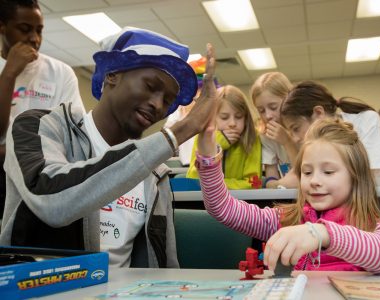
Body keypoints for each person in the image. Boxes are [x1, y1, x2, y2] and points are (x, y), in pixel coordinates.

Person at [0, 27, 218, 268]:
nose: (158, 105)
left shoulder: (155, 174)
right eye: (150, 86)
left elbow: (165, 266)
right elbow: (52, 201)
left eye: (167, 100)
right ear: (112, 74)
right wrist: (183, 130)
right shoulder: (37, 126)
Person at [195, 117, 380, 274]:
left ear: (356, 176)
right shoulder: (287, 220)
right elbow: (221, 208)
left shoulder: (371, 225)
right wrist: (207, 156)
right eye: (306, 172)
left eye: (328, 172)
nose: (314, 180)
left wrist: (321, 234)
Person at [0, 0, 85, 217]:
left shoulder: (61, 73)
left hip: (44, 179)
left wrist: (11, 153)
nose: (34, 39)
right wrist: (9, 73)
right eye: (25, 29)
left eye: (39, 30)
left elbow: (74, 136)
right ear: (2, 27)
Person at [186, 85, 262, 189]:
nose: (232, 123)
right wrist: (217, 145)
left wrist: (215, 185)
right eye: (224, 117)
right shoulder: (203, 137)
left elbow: (254, 184)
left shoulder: (252, 138)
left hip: (241, 201)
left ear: (246, 118)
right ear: (212, 118)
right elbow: (193, 177)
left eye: (239, 117)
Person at [250, 72, 297, 187]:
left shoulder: (302, 130)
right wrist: (276, 184)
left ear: (289, 100)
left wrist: (287, 141)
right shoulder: (266, 137)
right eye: (261, 110)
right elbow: (271, 177)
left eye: (273, 107)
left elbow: (304, 173)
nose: (267, 115)